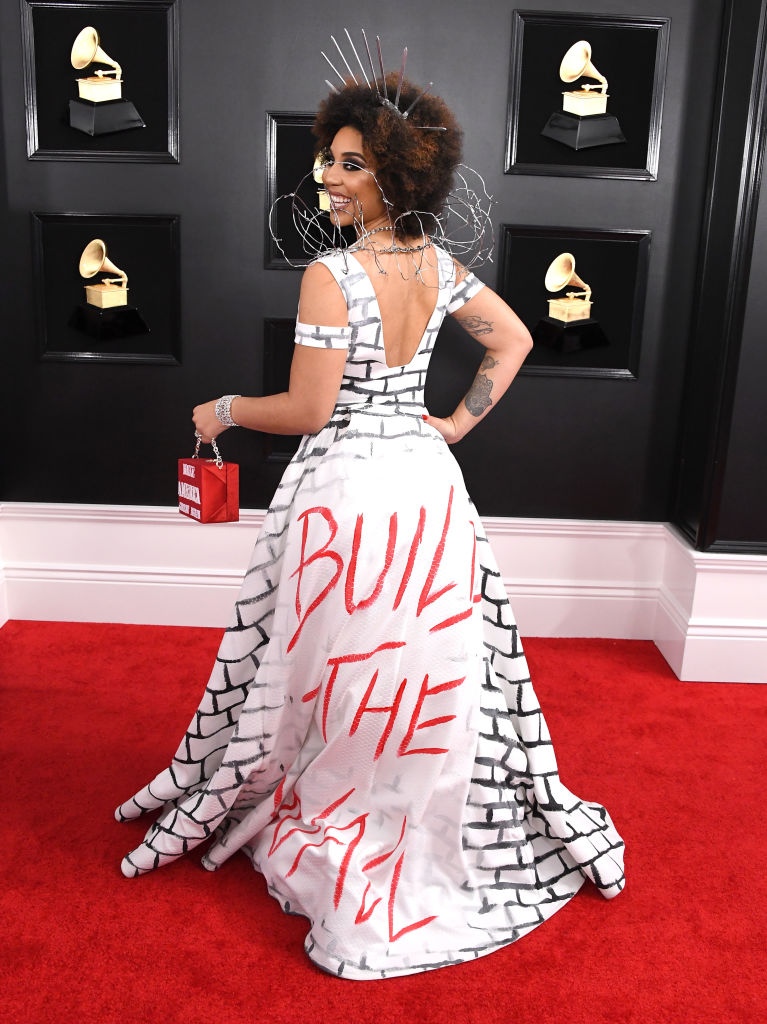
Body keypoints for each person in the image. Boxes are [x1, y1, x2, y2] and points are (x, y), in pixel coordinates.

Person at [116, 49, 625, 981]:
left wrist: (222, 410)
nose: (327, 177)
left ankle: (348, 814)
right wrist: (454, 426)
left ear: (396, 174)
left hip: (347, 491)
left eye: (350, 162)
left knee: (335, 662)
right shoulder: (438, 266)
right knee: (416, 665)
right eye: (327, 159)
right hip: (426, 484)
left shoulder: (331, 275)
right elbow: (512, 339)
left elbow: (308, 412)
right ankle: (399, 805)